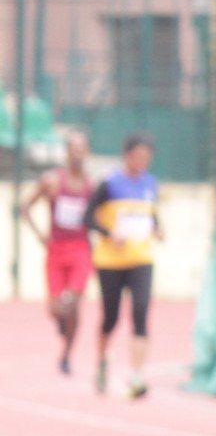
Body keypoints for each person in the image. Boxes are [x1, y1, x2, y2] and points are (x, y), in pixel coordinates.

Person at [87, 133, 164, 399]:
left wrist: (158, 229)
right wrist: (109, 234)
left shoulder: (150, 184)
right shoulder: (109, 184)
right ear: (127, 155)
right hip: (110, 261)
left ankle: (137, 375)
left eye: (147, 158)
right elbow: (89, 218)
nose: (142, 162)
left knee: (141, 310)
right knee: (111, 316)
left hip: (141, 258)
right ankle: (102, 360)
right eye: (138, 156)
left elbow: (152, 215)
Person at [22, 128, 93, 374]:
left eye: (82, 150)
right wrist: (40, 234)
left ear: (88, 153)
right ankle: (64, 322)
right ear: (66, 153)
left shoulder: (91, 186)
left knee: (71, 302)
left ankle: (66, 355)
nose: (78, 155)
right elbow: (24, 206)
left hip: (81, 251)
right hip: (56, 251)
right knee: (56, 310)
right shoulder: (52, 181)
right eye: (74, 150)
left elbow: (101, 216)